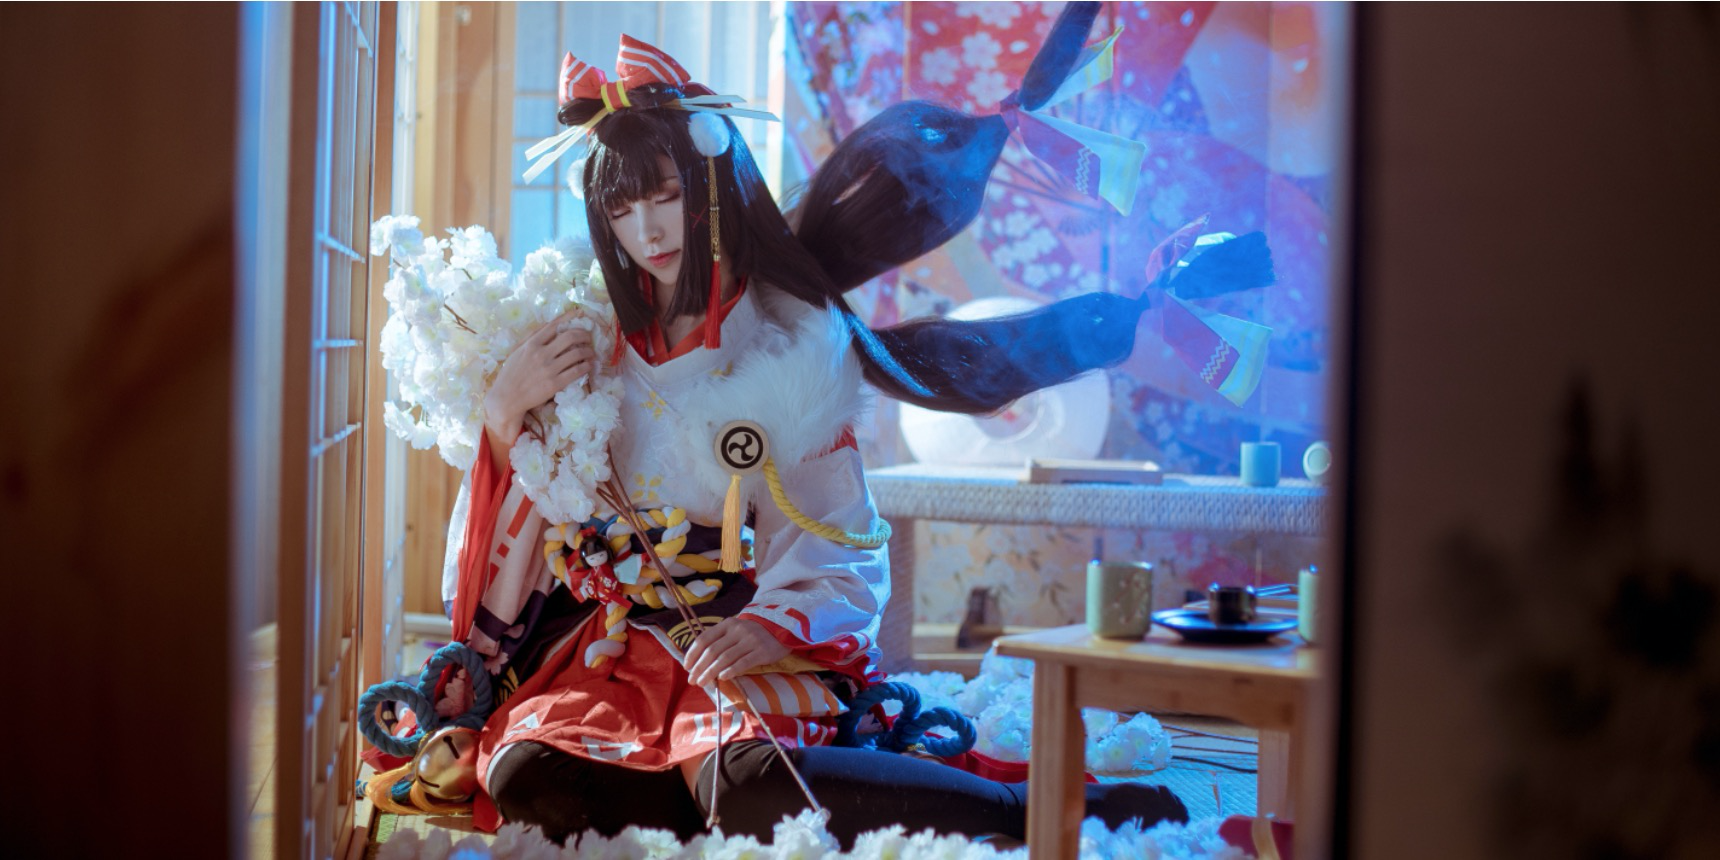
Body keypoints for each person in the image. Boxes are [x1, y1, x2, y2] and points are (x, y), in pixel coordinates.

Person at [445, 3, 1193, 847]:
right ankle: (697, 800)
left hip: (742, 636)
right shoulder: (581, 335)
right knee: (526, 778)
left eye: (666, 196)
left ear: (710, 190)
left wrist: (768, 626)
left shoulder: (791, 347)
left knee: (756, 786)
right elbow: (522, 535)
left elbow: (840, 542)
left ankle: (1041, 813)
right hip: (610, 652)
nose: (646, 230)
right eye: (622, 209)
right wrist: (503, 416)